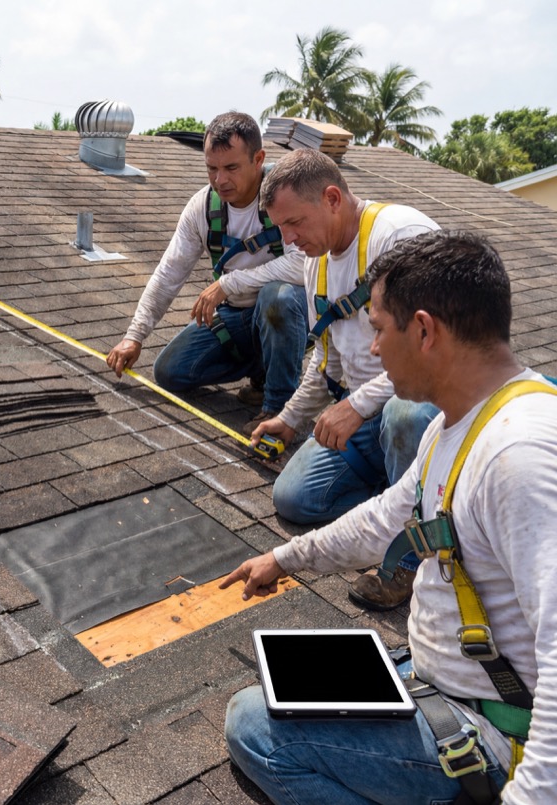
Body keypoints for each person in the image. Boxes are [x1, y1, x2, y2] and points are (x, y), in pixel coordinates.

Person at [221, 230, 557, 804]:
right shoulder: (461, 422)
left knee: (256, 728)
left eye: (378, 330)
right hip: (447, 684)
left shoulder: (517, 457)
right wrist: (284, 557)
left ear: (424, 330)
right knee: (288, 683)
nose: (372, 351)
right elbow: (385, 519)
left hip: (495, 731)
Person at [249, 148, 438, 610]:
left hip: (422, 408)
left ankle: (413, 559)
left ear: (333, 197)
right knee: (294, 500)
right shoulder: (317, 261)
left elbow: (434, 355)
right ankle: (409, 497)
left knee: (404, 414)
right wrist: (290, 418)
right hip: (366, 418)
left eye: (295, 223)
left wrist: (356, 406)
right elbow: (326, 358)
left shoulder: (400, 236)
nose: (289, 241)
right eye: (281, 230)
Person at [106, 112, 307, 428]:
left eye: (231, 168)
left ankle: (279, 410)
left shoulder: (286, 196)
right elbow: (169, 273)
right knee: (170, 372)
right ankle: (264, 367)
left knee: (277, 298)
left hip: (288, 313)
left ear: (259, 159)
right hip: (237, 318)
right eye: (211, 168)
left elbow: (304, 265)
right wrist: (135, 336)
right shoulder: (203, 207)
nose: (220, 180)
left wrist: (229, 282)